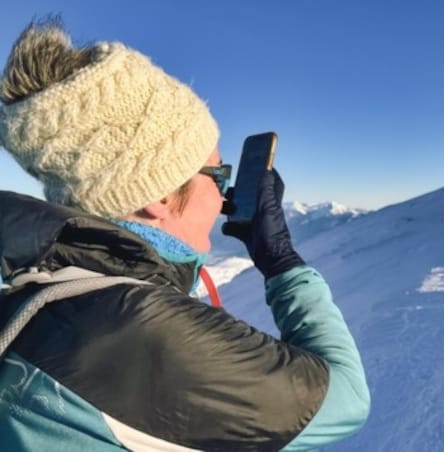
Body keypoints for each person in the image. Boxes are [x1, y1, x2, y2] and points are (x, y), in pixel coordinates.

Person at [0, 18, 369, 451]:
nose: (225, 192)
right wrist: (283, 262)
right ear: (156, 195)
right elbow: (346, 400)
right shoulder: (140, 326)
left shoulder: (38, 291)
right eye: (216, 173)